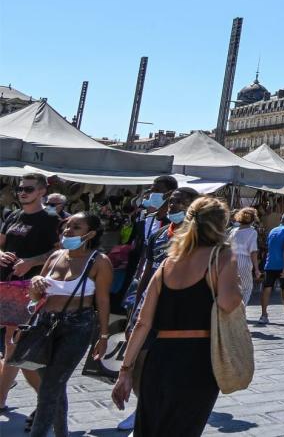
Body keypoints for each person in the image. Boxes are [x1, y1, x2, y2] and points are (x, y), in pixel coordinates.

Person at [111, 197, 242, 436]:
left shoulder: (167, 264)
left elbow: (142, 322)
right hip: (198, 359)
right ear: (221, 226)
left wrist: (125, 371)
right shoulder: (222, 257)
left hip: (159, 357)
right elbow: (228, 302)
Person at [114, 185, 198, 432]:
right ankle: (143, 408)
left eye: (180, 203)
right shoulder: (159, 234)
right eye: (171, 201)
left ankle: (165, 411)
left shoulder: (201, 238)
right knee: (140, 361)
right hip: (151, 308)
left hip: (181, 313)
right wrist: (136, 308)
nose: (173, 206)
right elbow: (145, 272)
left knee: (171, 368)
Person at [26, 213, 113, 437]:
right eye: (67, 226)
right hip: (45, 324)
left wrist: (103, 337)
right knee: (54, 384)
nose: (68, 230)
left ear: (90, 234)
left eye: (76, 227)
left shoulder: (99, 261)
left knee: (49, 387)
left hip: (78, 326)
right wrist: (35, 283)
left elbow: (103, 300)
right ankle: (61, 433)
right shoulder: (55, 256)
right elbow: (35, 297)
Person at [0, 173, 62, 414]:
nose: (22, 192)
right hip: (6, 284)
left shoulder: (50, 219)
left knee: (14, 346)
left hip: (30, 288)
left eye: (28, 188)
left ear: (42, 192)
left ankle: (44, 402)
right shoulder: (13, 215)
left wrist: (31, 262)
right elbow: (2, 242)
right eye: (20, 189)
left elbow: (59, 254)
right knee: (11, 347)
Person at [259, 212, 284, 324]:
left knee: (266, 289)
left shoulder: (272, 230)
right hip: (281, 264)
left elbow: (269, 247)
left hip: (270, 263)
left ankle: (263, 315)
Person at [229, 208, 261, 314]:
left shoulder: (233, 231)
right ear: (253, 219)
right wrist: (256, 269)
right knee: (247, 288)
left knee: (234, 287)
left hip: (231, 260)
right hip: (244, 260)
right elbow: (253, 251)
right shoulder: (252, 232)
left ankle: (233, 308)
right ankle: (240, 311)